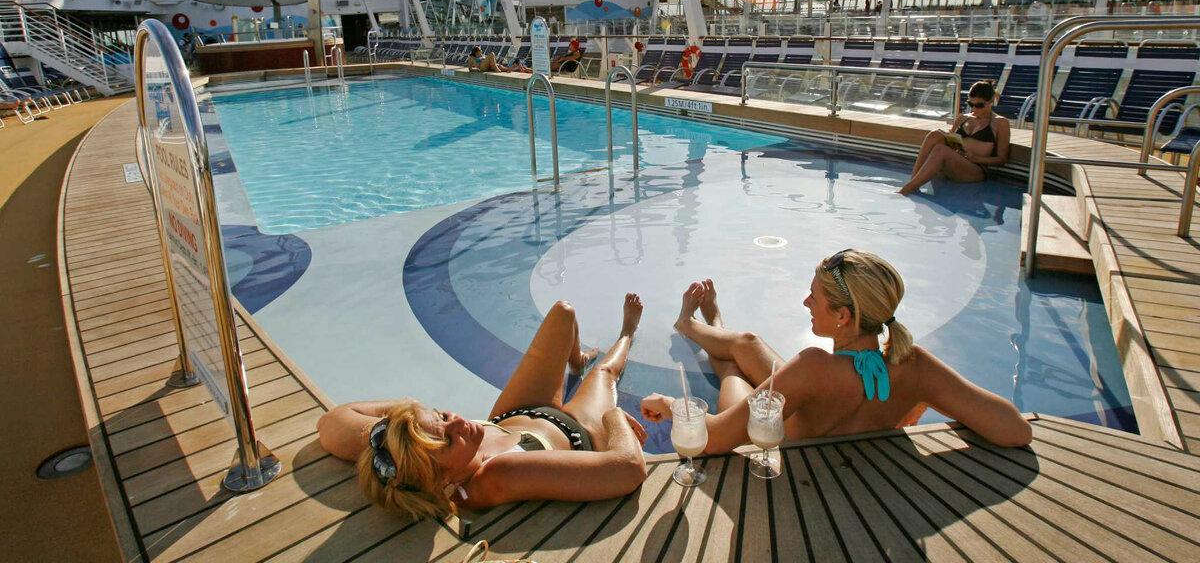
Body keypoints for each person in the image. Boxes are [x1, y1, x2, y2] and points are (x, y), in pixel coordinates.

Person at [640, 253, 1032, 454]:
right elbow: (1016, 429)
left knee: (731, 368)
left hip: (780, 435)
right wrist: (917, 403)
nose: (806, 301)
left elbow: (714, 439)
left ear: (843, 316)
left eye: (814, 296)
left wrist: (672, 405)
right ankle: (703, 325)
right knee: (747, 342)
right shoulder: (913, 364)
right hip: (815, 398)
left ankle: (697, 323)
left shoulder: (813, 367)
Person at [318, 295, 649, 521]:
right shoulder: (498, 476)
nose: (458, 421)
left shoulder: (398, 455)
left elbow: (332, 422)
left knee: (563, 314)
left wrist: (407, 413)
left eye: (442, 416)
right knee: (604, 373)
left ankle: (576, 361)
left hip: (513, 416)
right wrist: (614, 418)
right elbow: (628, 468)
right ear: (442, 480)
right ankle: (627, 332)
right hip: (577, 429)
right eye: (449, 439)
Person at [899, 80, 1009, 196]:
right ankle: (913, 184)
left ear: (991, 101)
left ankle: (906, 190)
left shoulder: (1000, 123)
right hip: (954, 162)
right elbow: (950, 139)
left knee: (940, 150)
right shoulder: (962, 118)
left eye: (979, 105)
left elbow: (1001, 159)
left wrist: (976, 158)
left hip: (976, 169)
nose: (974, 109)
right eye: (970, 104)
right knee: (934, 134)